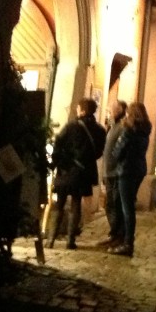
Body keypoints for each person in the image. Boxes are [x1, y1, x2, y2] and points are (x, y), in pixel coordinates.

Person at [48, 98, 106, 249]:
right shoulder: (100, 130)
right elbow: (99, 152)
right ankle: (70, 241)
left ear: (83, 110)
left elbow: (58, 143)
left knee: (59, 204)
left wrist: (56, 162)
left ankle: (50, 240)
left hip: (67, 170)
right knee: (76, 203)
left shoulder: (71, 126)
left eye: (78, 107)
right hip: (84, 172)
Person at [108, 101, 151, 257]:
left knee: (126, 208)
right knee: (128, 204)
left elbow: (118, 152)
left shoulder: (128, 130)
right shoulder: (145, 130)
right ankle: (123, 238)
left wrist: (114, 154)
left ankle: (127, 242)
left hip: (127, 170)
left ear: (131, 114)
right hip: (139, 169)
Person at [97, 98, 128, 248]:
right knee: (110, 204)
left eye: (112, 109)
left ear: (120, 111)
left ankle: (118, 235)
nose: (109, 111)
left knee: (115, 205)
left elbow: (121, 151)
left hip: (116, 173)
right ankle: (114, 234)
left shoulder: (122, 127)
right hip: (109, 173)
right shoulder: (113, 126)